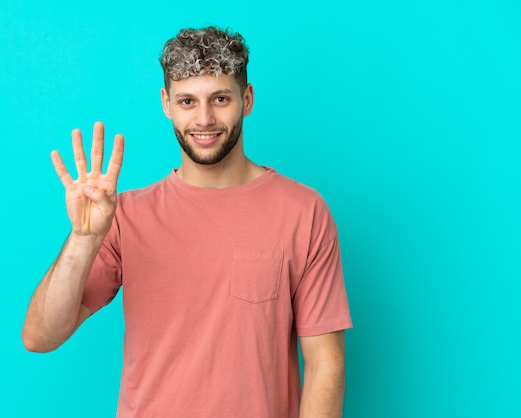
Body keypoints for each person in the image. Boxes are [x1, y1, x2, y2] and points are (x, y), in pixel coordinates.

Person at [22, 26, 352, 418]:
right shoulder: (125, 216)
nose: (204, 119)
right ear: (166, 103)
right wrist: (82, 238)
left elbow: (324, 365)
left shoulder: (304, 213)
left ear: (247, 99)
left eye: (220, 99)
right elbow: (40, 336)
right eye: (187, 101)